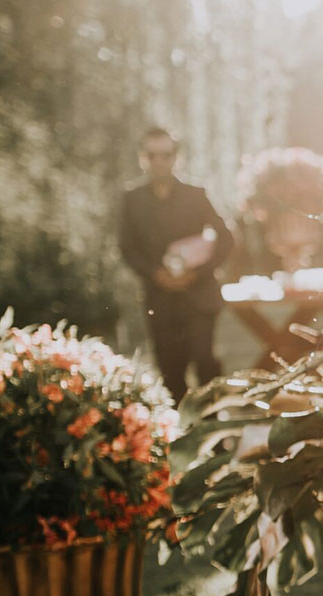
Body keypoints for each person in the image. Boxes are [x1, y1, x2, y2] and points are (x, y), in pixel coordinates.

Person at [118, 127, 234, 398]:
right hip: (160, 300)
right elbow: (127, 248)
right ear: (142, 157)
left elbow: (226, 239)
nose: (159, 161)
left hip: (199, 296)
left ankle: (214, 435)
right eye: (151, 155)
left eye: (166, 155)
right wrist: (156, 274)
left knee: (206, 366)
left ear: (176, 157)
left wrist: (198, 274)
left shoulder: (196, 194)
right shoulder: (131, 199)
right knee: (171, 372)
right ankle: (181, 436)